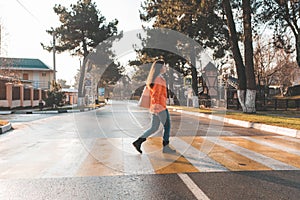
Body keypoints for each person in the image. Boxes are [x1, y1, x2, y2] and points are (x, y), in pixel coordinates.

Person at [133, 60, 176, 154]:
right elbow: (156, 95)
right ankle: (166, 147)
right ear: (160, 68)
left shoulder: (156, 78)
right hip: (159, 107)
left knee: (154, 128)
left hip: (156, 106)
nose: (165, 68)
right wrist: (157, 108)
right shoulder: (158, 79)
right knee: (167, 126)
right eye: (164, 66)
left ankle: (138, 141)